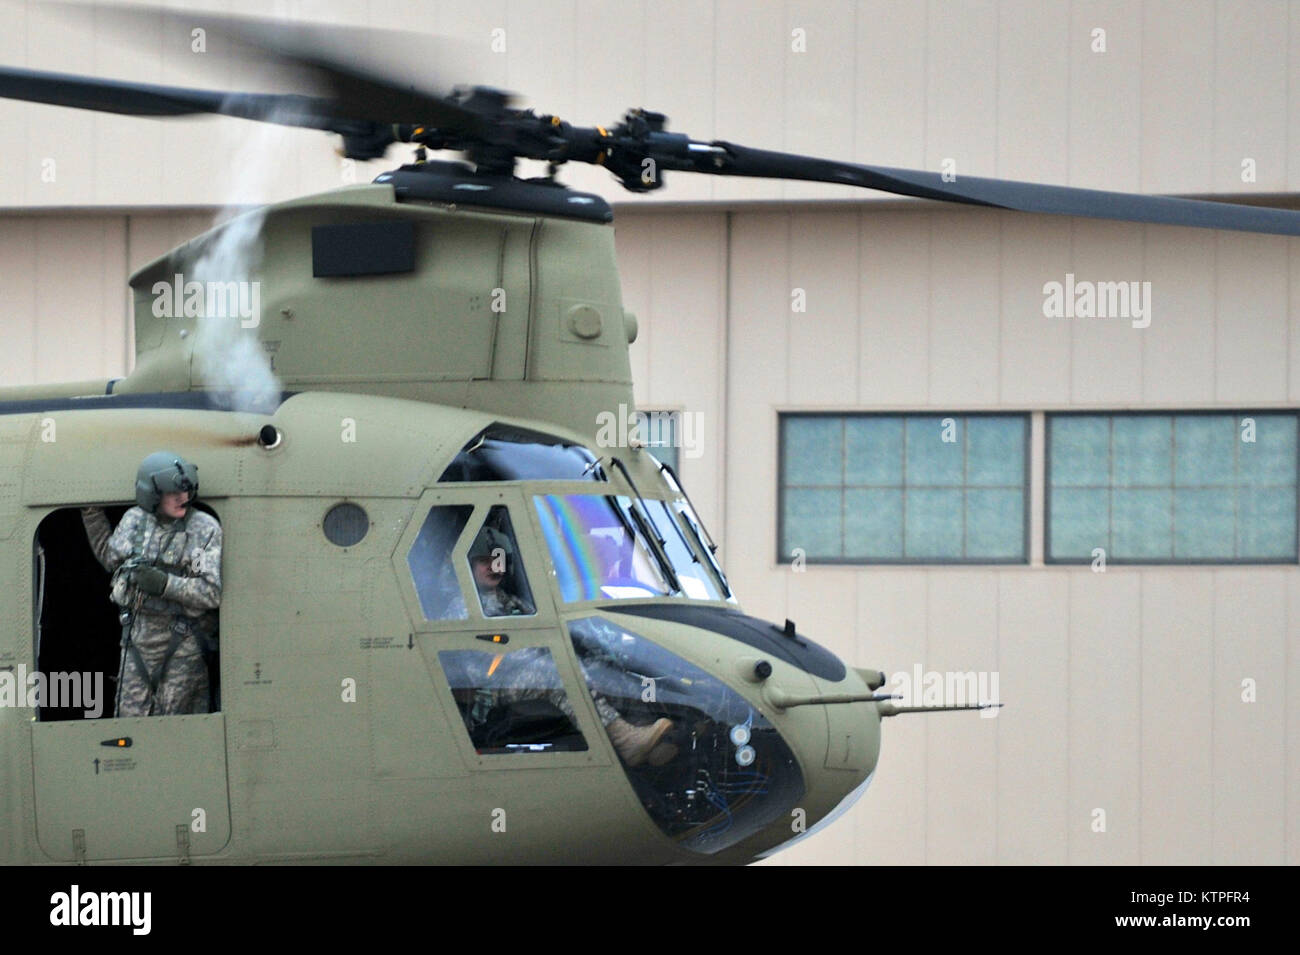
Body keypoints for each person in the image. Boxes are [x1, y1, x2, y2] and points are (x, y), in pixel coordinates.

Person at [465, 522, 676, 767]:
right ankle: (624, 739)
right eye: (484, 561)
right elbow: (480, 663)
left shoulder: (511, 600)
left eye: (498, 559)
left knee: (603, 668)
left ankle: (645, 737)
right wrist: (542, 655)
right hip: (494, 687)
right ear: (468, 565)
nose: (494, 567)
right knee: (560, 672)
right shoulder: (463, 606)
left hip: (526, 672)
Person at [81, 451, 222, 717]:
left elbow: (211, 593)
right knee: (129, 721)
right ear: (153, 495)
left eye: (186, 490)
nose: (183, 498)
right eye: (173, 493)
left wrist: (165, 584)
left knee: (174, 724)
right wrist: (90, 514)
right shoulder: (135, 521)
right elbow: (111, 557)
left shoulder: (204, 529)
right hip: (138, 641)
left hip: (184, 642)